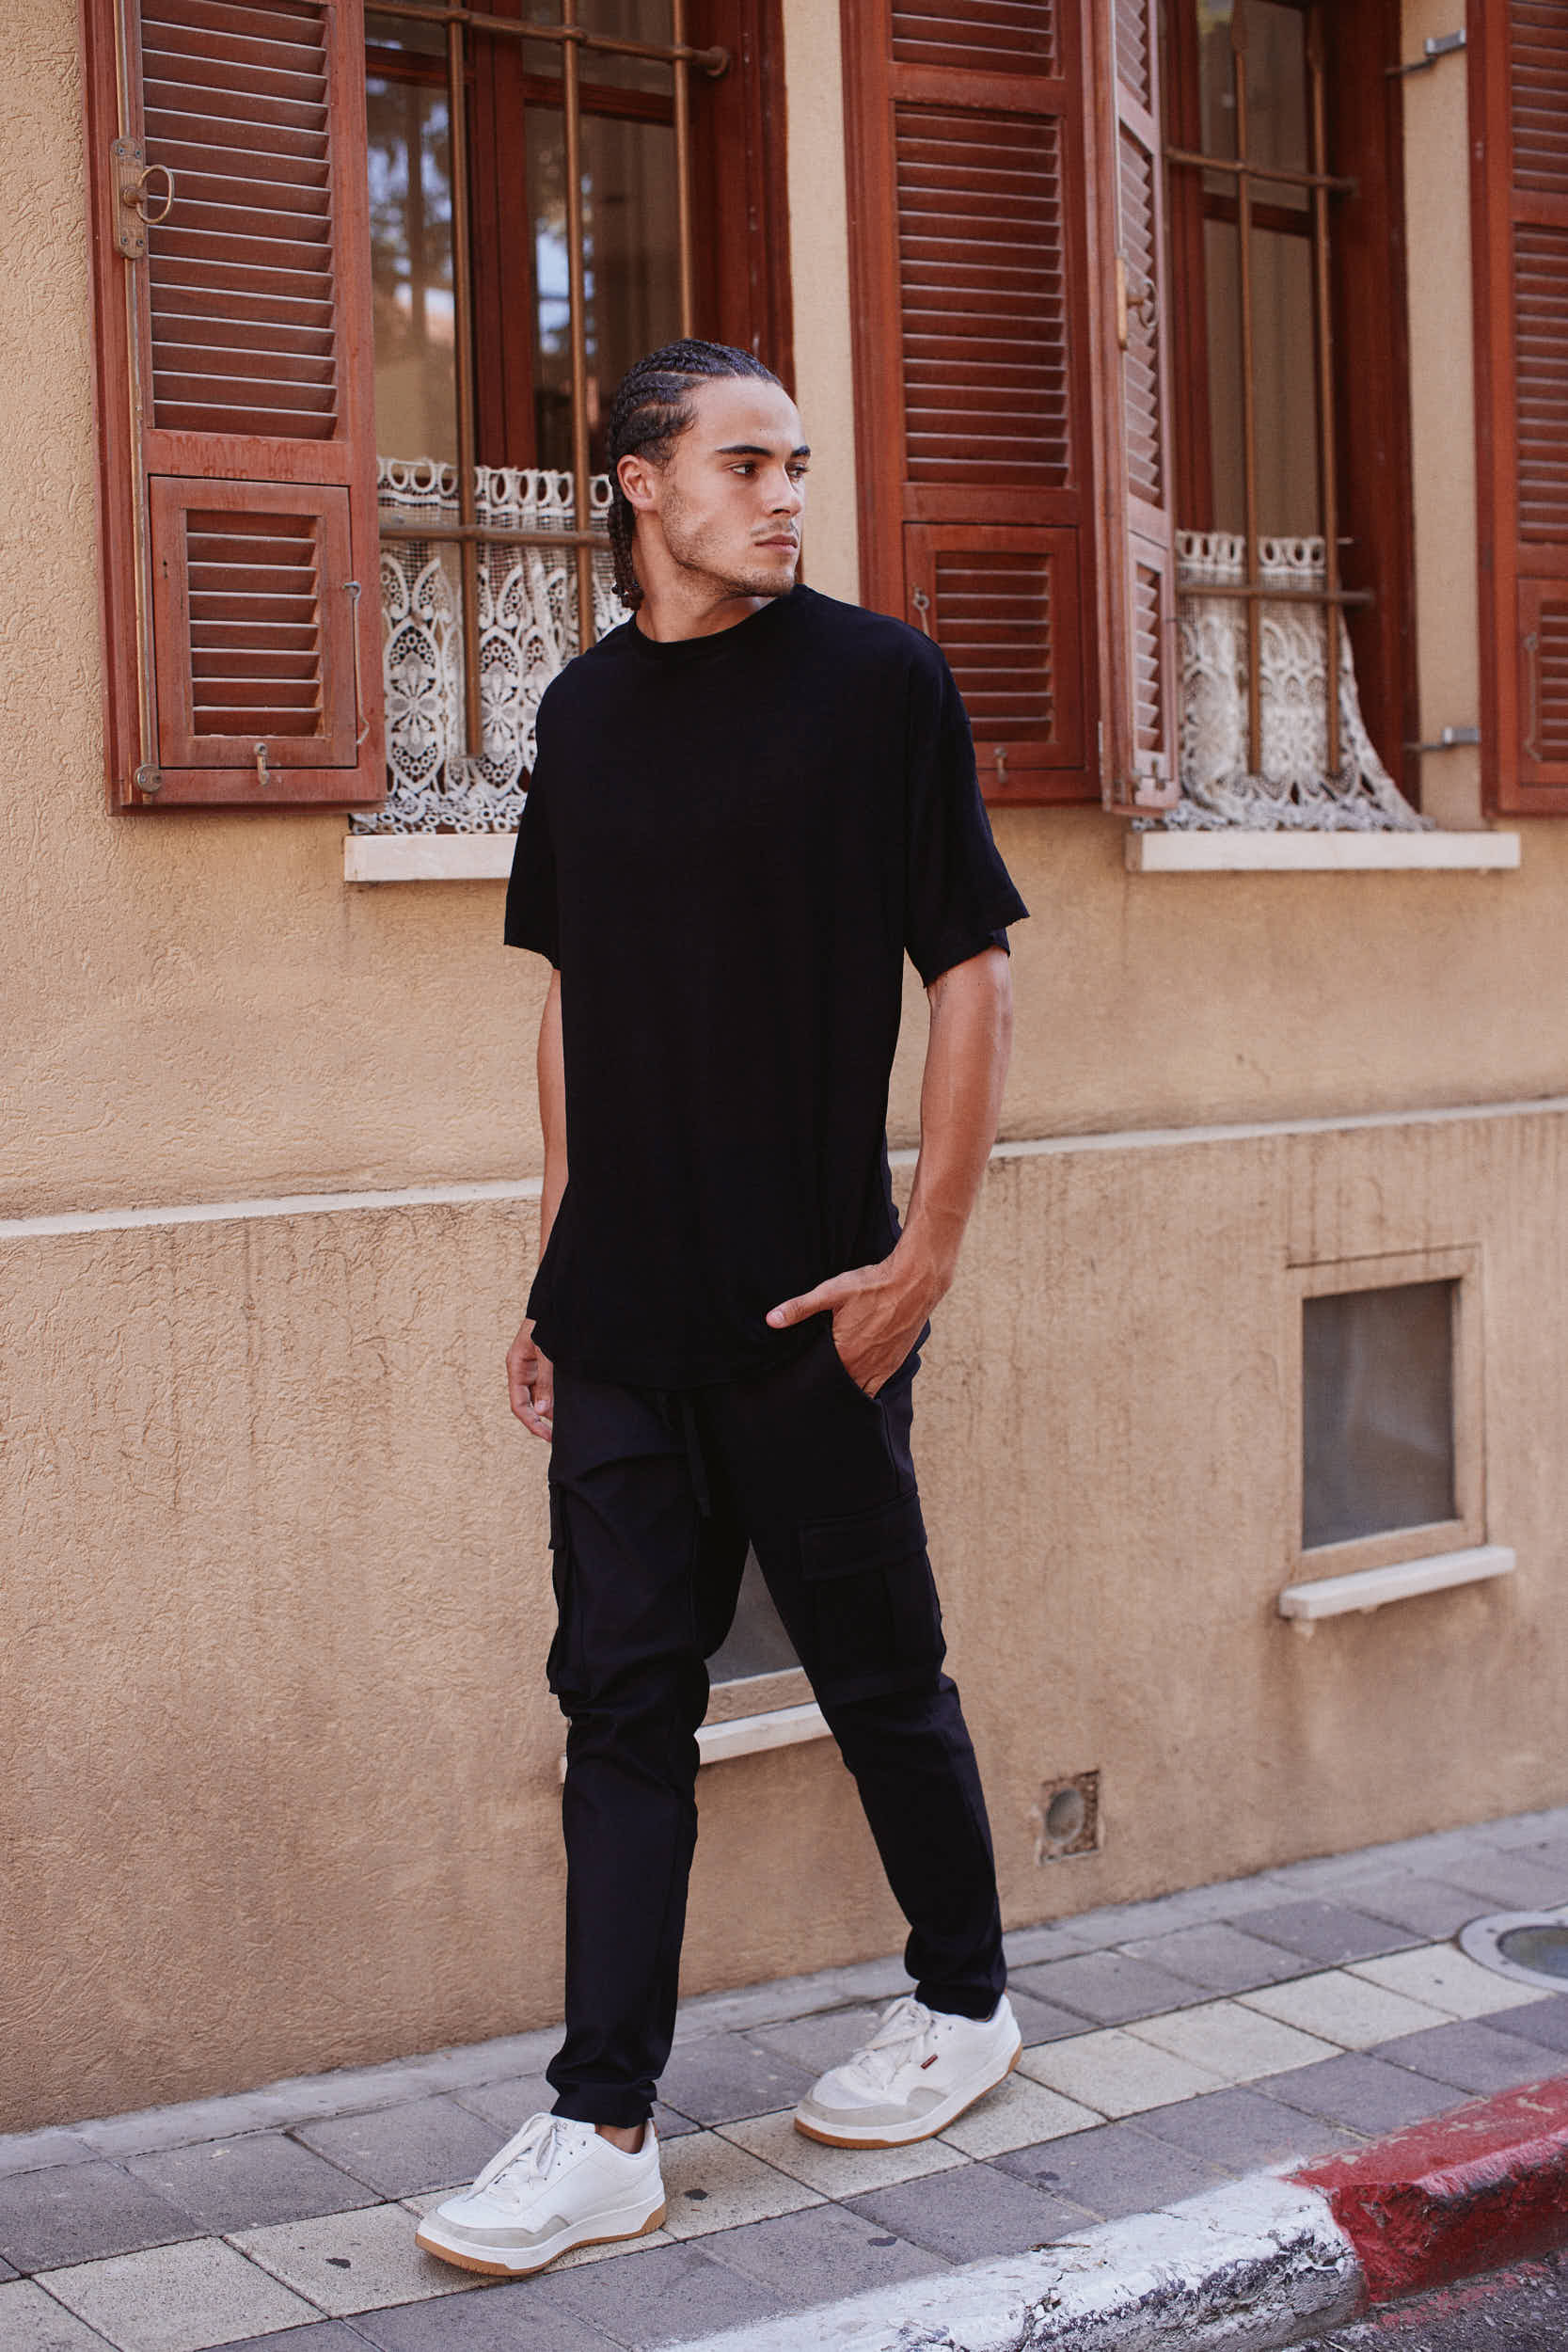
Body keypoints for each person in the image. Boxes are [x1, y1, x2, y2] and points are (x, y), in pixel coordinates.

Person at [416, 340, 1029, 2280]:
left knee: (877, 1673)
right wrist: (555, 1257)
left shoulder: (878, 684)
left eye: (797, 466)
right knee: (620, 1704)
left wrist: (923, 1257)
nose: (785, 497)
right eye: (747, 464)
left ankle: (964, 1999)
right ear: (639, 484)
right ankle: (603, 2123)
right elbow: (571, 998)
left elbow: (974, 970)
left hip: (808, 1302)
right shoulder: (584, 714)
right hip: (621, 1314)